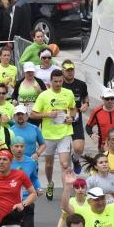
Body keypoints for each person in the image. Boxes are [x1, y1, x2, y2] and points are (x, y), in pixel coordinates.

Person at [31, 70, 77, 201]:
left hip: (65, 133)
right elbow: (33, 114)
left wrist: (71, 118)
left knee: (64, 163)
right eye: (55, 81)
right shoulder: (44, 95)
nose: (58, 84)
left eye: (60, 81)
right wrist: (47, 115)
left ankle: (66, 193)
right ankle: (50, 183)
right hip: (49, 135)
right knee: (49, 164)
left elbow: (73, 108)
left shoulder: (68, 93)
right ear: (50, 81)